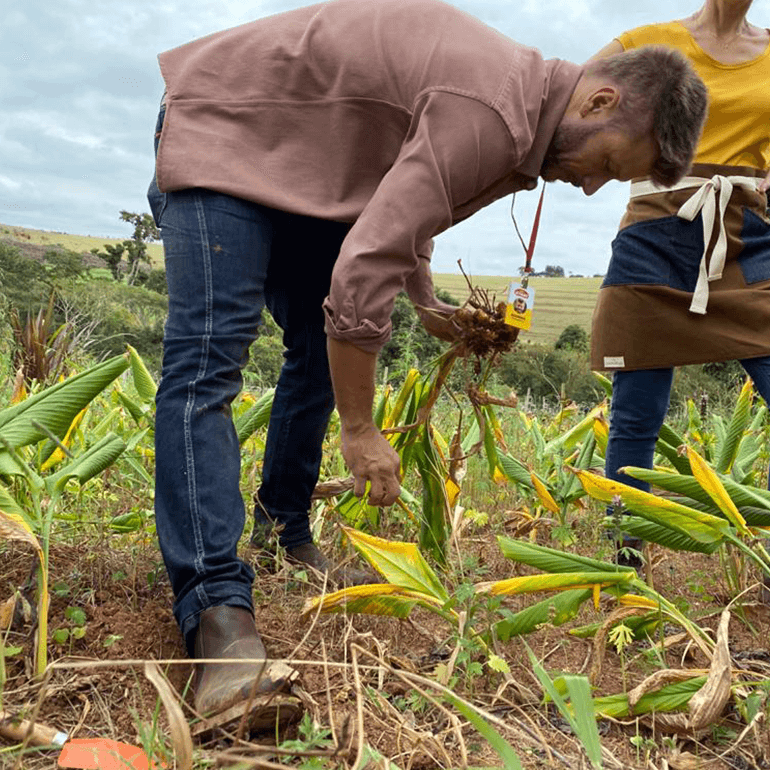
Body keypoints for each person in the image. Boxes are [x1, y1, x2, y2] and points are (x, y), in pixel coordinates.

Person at [147, 0, 707, 725]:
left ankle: (284, 531)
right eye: (606, 164)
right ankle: (216, 613)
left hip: (306, 156)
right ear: (600, 100)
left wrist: (427, 305)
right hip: (229, 119)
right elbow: (360, 274)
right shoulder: (494, 110)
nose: (593, 186)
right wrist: (360, 429)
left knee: (319, 355)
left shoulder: (518, 112)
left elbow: (399, 211)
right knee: (207, 363)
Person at [589, 0, 770, 569]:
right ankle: (623, 562)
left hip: (748, 235)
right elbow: (569, 103)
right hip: (654, 236)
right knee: (636, 411)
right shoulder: (646, 42)